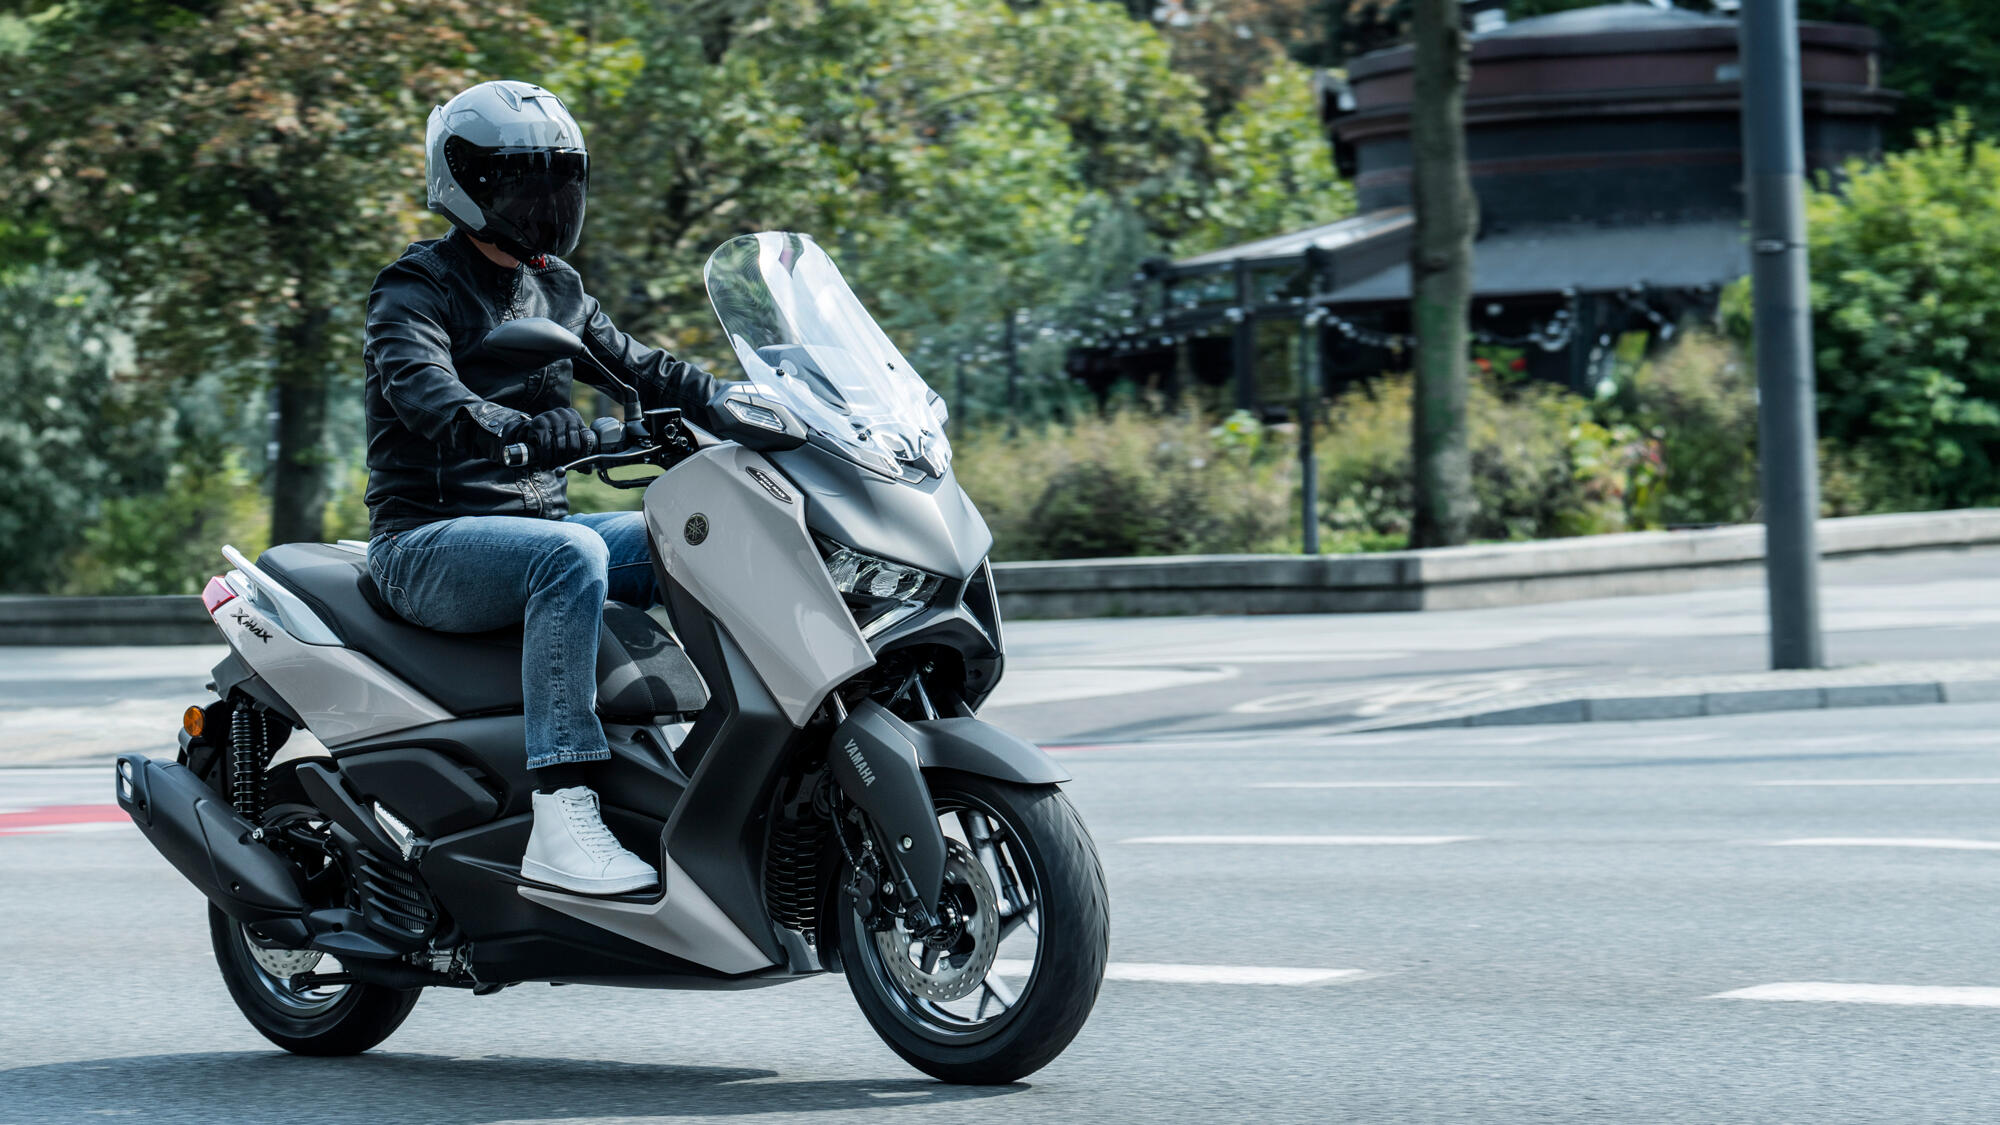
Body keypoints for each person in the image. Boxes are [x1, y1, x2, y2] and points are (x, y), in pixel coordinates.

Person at [361, 80, 716, 896]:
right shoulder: (414, 288)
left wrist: (738, 402)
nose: (545, 203)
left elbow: (642, 367)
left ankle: (718, 762)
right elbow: (425, 390)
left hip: (537, 527)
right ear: (465, 185)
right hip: (424, 543)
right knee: (571, 554)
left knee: (692, 531)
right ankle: (561, 810)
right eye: (522, 183)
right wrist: (511, 426)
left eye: (559, 181)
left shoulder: (558, 286)